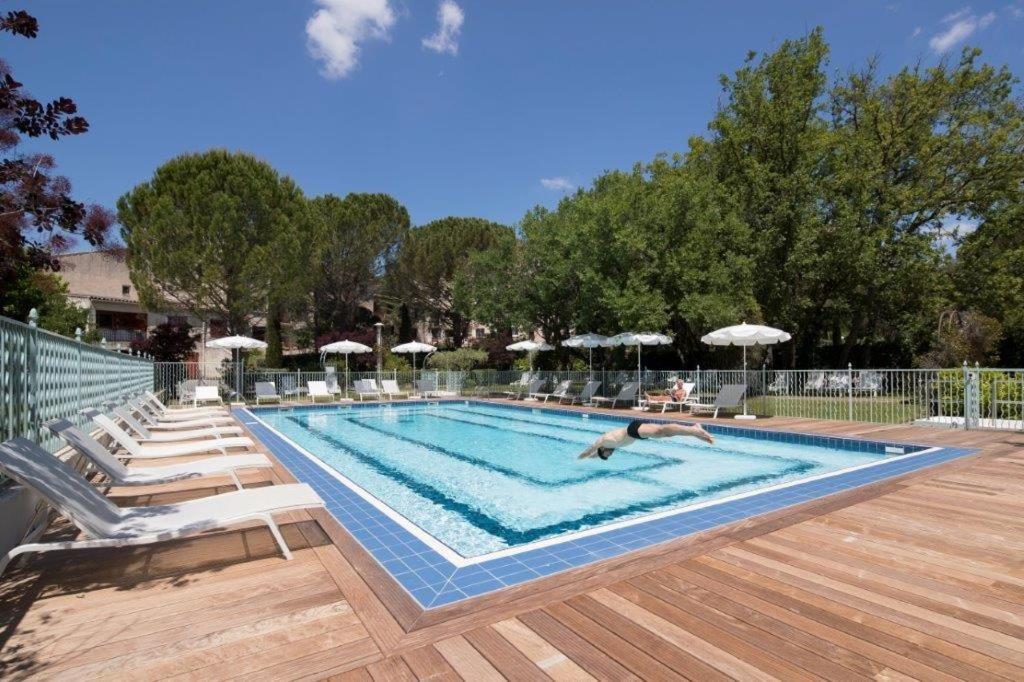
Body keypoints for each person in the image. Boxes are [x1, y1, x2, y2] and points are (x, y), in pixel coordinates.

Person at [577, 419, 714, 460]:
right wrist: (593, 456)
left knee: (661, 431)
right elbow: (596, 454)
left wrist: (582, 456)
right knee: (664, 433)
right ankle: (694, 432)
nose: (610, 454)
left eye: (607, 454)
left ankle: (694, 429)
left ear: (603, 450)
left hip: (633, 431)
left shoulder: (607, 441)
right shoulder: (612, 445)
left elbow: (593, 448)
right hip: (635, 431)